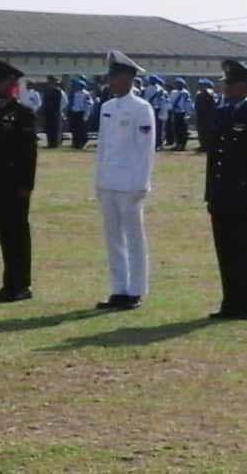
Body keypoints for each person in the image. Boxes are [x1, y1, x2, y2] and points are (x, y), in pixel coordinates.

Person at [205, 59, 247, 320]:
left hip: (244, 196)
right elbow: (214, 158)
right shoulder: (221, 114)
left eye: (231, 84)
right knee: (225, 250)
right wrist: (209, 193)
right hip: (221, 193)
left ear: (245, 88)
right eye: (226, 84)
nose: (226, 89)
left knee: (245, 251)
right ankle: (230, 301)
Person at [94, 51, 157, 311]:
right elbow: (103, 147)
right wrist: (98, 180)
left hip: (130, 183)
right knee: (113, 239)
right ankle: (118, 289)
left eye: (116, 77)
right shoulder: (107, 107)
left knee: (133, 238)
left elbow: (146, 149)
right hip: (109, 181)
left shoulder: (142, 108)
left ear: (129, 79)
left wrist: (141, 183)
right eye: (111, 78)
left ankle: (135, 290)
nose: (112, 82)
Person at [0, 60, 38, 303]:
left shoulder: (24, 114)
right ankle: (8, 284)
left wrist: (27, 184)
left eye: (0, 82)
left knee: (18, 235)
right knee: (4, 235)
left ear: (12, 85)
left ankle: (21, 285)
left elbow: (29, 153)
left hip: (15, 185)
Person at [143, 75, 168, 150]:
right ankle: (158, 144)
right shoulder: (160, 89)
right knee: (158, 127)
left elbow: (145, 99)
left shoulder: (149, 89)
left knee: (154, 127)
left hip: (152, 109)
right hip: (157, 109)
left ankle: (155, 143)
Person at [67, 78, 94, 149]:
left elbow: (89, 104)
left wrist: (86, 114)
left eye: (77, 85)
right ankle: (75, 143)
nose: (76, 87)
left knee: (81, 130)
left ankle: (81, 143)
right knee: (74, 129)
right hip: (74, 113)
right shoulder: (74, 93)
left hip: (81, 113)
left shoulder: (86, 94)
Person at [168, 77, 193, 151]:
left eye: (179, 84)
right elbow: (170, 102)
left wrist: (188, 114)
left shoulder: (185, 93)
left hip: (183, 113)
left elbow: (188, 103)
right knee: (175, 129)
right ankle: (177, 144)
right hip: (175, 112)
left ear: (182, 84)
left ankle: (182, 145)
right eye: (176, 83)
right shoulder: (173, 92)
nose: (177, 85)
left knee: (183, 130)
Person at [194, 78, 218, 153]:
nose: (201, 87)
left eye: (202, 85)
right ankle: (203, 145)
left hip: (209, 116)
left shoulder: (211, 94)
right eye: (200, 85)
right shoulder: (199, 94)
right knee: (201, 131)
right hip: (200, 115)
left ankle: (208, 146)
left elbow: (214, 105)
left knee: (208, 131)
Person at [42, 77, 66, 149]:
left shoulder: (60, 92)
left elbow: (65, 102)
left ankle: (55, 144)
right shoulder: (47, 91)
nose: (51, 84)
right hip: (48, 112)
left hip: (56, 113)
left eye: (52, 83)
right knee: (49, 128)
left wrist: (59, 109)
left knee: (55, 128)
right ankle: (50, 143)